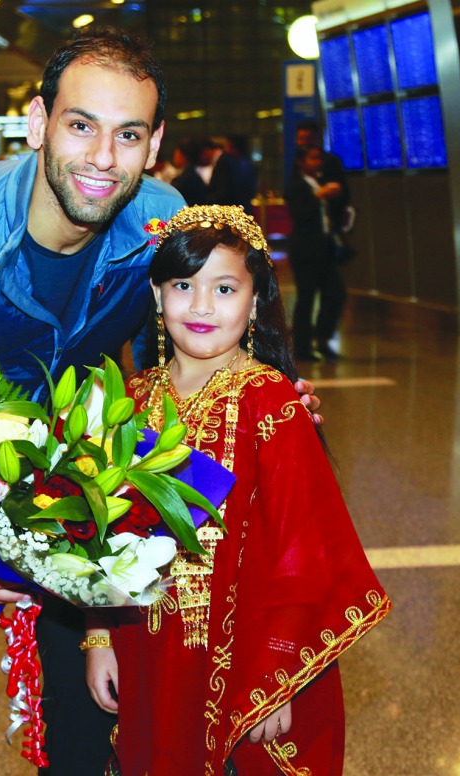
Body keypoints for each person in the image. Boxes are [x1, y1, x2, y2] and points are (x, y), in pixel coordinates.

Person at [0, 28, 323, 776]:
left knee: (87, 688)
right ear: (40, 123)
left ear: (155, 143)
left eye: (128, 134)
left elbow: (190, 332)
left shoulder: (158, 221)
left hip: (57, 449)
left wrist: (265, 391)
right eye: (81, 126)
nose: (103, 158)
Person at [84, 205, 390, 775]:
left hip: (241, 652)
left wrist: (278, 675)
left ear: (254, 302)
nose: (201, 306)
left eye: (224, 288)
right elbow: (94, 536)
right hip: (145, 641)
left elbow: (304, 550)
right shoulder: (128, 397)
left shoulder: (270, 401)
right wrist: (99, 635)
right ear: (156, 296)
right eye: (182, 285)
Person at [286, 145, 346, 362]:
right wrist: (319, 196)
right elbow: (300, 215)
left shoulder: (321, 182)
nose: (317, 162)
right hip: (305, 250)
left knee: (335, 293)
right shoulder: (296, 186)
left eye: (319, 158)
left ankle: (323, 338)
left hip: (325, 249)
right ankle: (302, 347)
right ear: (301, 162)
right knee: (307, 298)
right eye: (313, 158)